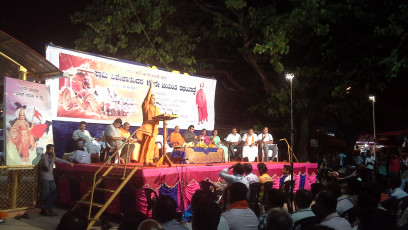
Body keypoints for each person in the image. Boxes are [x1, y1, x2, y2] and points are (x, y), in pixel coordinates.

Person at [39, 144, 73, 216]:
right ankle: (46, 210)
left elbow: (59, 160)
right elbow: (48, 168)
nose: (52, 151)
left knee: (54, 193)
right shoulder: (44, 157)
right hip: (45, 178)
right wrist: (53, 159)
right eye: (51, 149)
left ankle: (46, 208)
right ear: (47, 149)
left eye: (53, 149)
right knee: (46, 195)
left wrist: (69, 163)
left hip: (51, 178)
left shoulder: (52, 156)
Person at [138, 83, 161, 167]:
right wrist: (150, 89)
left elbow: (160, 117)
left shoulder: (156, 108)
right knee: (146, 145)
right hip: (147, 129)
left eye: (155, 98)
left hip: (154, 130)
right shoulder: (145, 106)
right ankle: (144, 161)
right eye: (152, 98)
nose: (154, 100)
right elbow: (146, 99)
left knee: (151, 146)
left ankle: (150, 160)